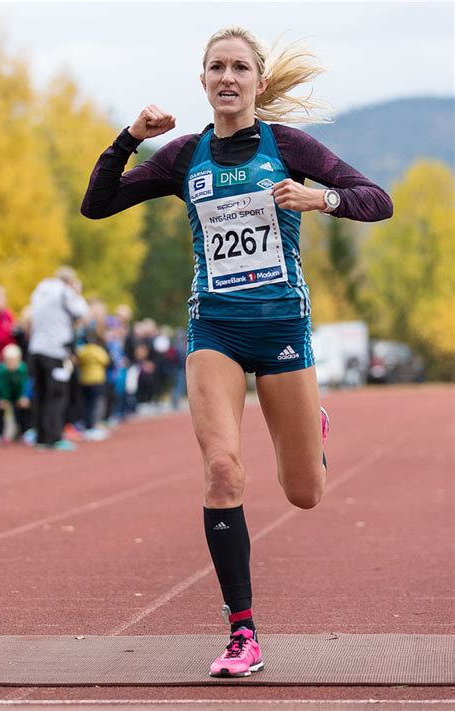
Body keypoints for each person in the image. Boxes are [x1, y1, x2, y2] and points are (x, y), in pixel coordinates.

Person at [81, 26, 393, 677]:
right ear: (203, 82)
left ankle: (312, 424)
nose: (228, 77)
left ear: (258, 83)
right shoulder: (183, 155)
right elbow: (98, 203)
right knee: (222, 470)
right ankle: (242, 631)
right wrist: (130, 137)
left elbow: (377, 200)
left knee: (305, 492)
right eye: (217, 67)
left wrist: (322, 197)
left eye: (240, 67)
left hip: (282, 329)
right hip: (214, 331)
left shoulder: (289, 146)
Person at [28, 266, 88, 451]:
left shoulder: (39, 290)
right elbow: (82, 311)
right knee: (57, 395)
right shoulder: (64, 291)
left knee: (41, 394)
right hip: (55, 351)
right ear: (70, 281)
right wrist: (76, 292)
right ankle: (53, 438)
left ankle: (40, 437)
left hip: (36, 349)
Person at [0, 343, 31, 442]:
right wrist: (4, 399)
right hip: (6, 395)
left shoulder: (24, 369)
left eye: (13, 360)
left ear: (19, 359)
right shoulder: (1, 370)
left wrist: (25, 397)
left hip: (18, 395)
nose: (10, 363)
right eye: (8, 361)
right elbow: (0, 386)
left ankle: (25, 432)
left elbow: (27, 384)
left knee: (25, 407)